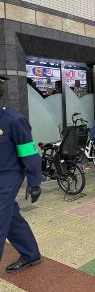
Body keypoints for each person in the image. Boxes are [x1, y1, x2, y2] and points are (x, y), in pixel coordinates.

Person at [0, 74, 42, 272]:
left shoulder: (14, 120)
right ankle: (30, 253)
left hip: (8, 176)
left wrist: (35, 182)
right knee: (10, 216)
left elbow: (29, 154)